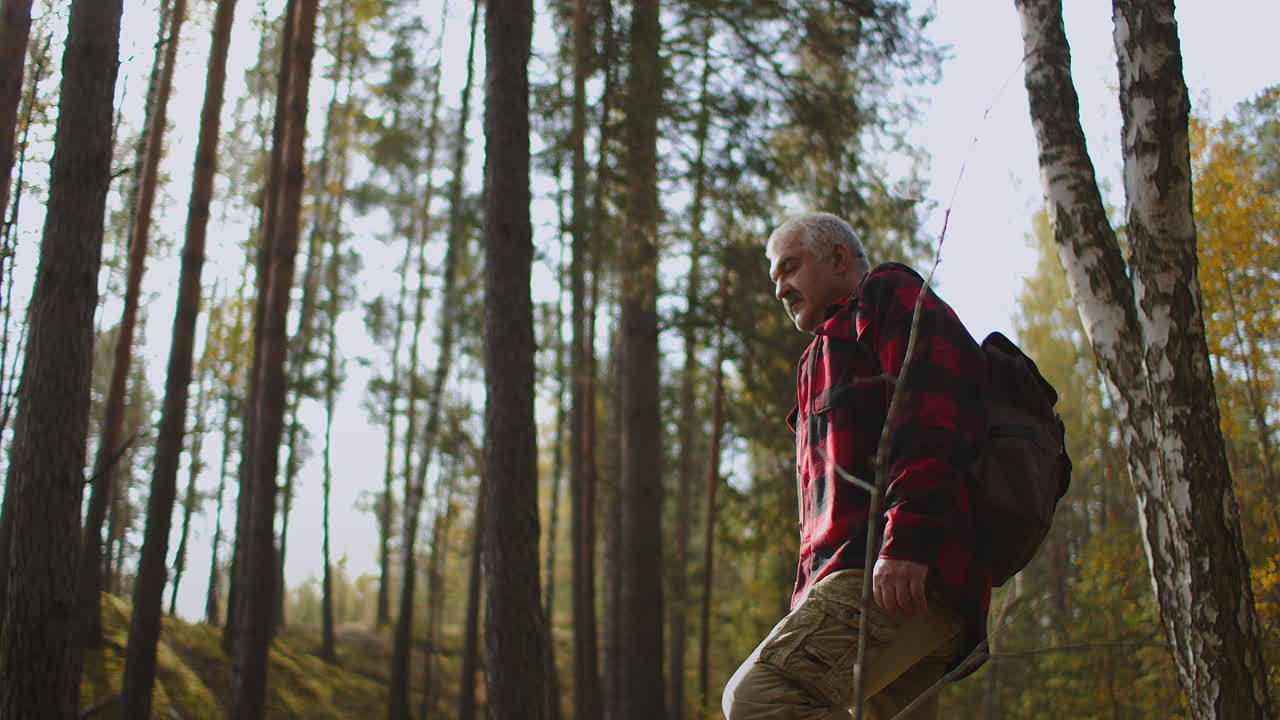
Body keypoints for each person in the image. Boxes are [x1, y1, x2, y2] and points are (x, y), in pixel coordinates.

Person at [722, 212, 991, 719]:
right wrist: (806, 603)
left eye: (791, 269)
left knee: (758, 698)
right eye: (775, 279)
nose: (782, 289)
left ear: (839, 258)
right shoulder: (816, 358)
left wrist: (908, 540)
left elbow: (933, 416)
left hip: (896, 569)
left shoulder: (887, 296)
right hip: (870, 578)